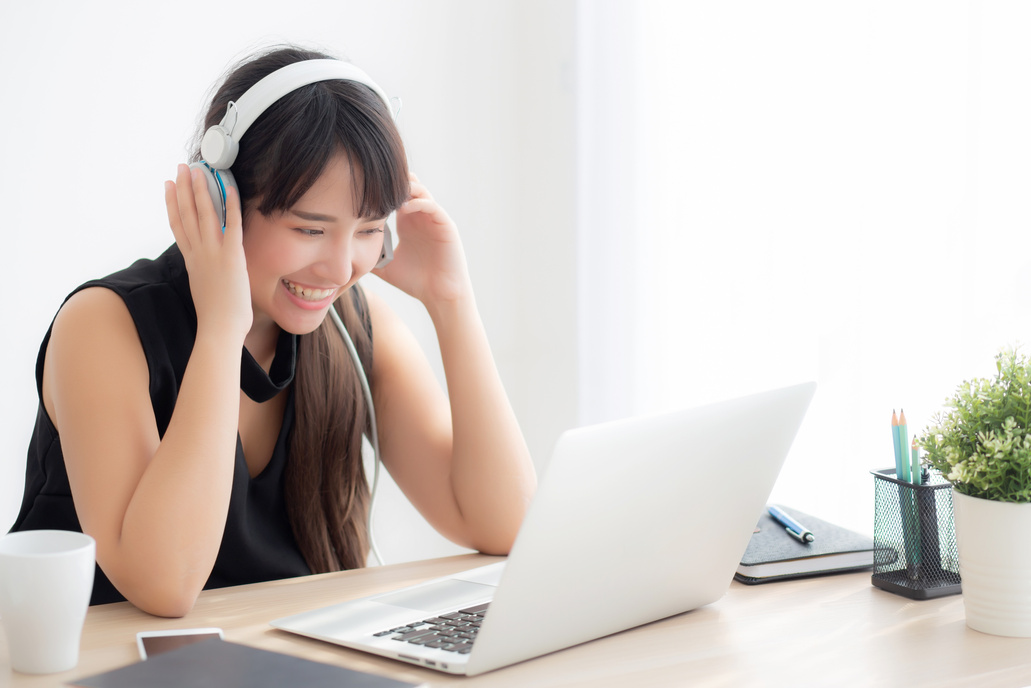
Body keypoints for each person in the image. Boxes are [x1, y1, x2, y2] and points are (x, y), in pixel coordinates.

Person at [9, 45, 537, 617]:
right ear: (221, 200)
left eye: (367, 230)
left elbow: (503, 524)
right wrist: (221, 326)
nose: (341, 271)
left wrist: (451, 301)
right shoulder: (104, 328)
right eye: (311, 230)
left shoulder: (353, 327)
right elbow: (163, 582)